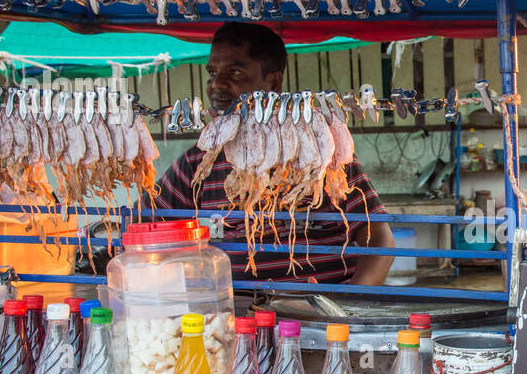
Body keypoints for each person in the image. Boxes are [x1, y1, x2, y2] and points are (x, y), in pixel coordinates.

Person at [154, 22, 395, 285]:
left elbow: (379, 239)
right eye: (212, 73)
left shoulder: (322, 152)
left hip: (319, 313)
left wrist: (348, 304)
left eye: (234, 72)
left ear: (273, 82)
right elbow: (148, 223)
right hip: (235, 314)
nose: (217, 84)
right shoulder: (200, 161)